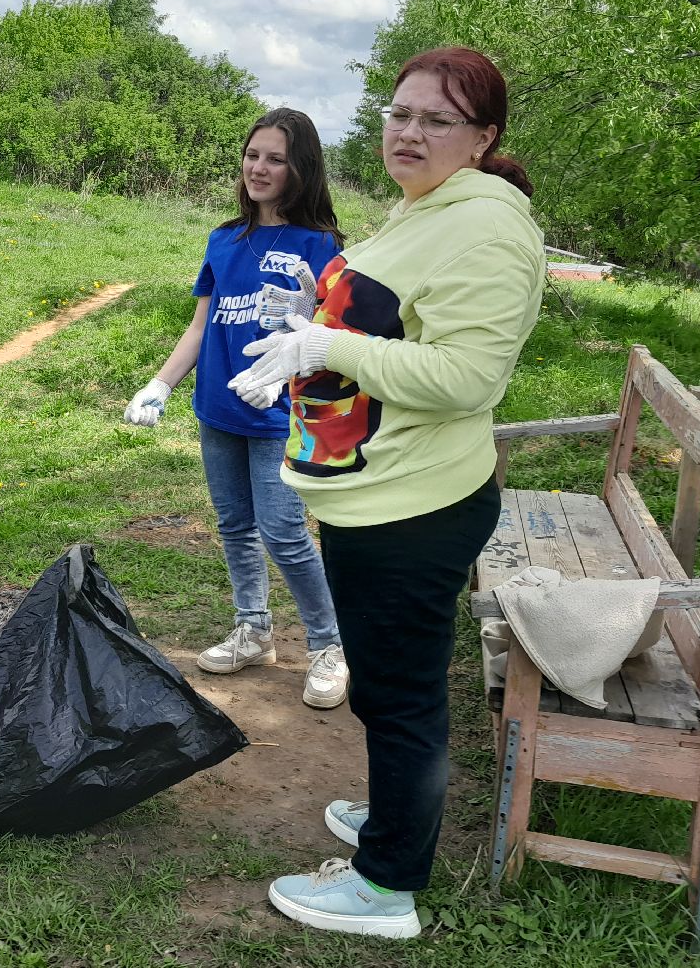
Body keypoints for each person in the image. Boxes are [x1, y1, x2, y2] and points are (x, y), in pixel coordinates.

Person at [230, 48, 545, 939]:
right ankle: (393, 820)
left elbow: (469, 376)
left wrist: (328, 351)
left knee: (402, 697)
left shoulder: (484, 226)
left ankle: (386, 887)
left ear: (483, 138)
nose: (408, 132)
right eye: (400, 113)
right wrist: (317, 316)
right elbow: (397, 312)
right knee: (387, 686)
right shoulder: (429, 208)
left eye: (436, 120)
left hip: (414, 506)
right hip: (378, 492)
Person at [123, 107, 349, 710]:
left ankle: (330, 647)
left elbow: (325, 334)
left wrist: (291, 365)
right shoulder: (223, 240)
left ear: (300, 169)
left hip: (277, 415)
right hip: (217, 411)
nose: (260, 168)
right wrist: (161, 384)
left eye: (276, 158)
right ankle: (253, 630)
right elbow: (201, 326)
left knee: (284, 532)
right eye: (254, 155)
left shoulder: (320, 245)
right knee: (235, 526)